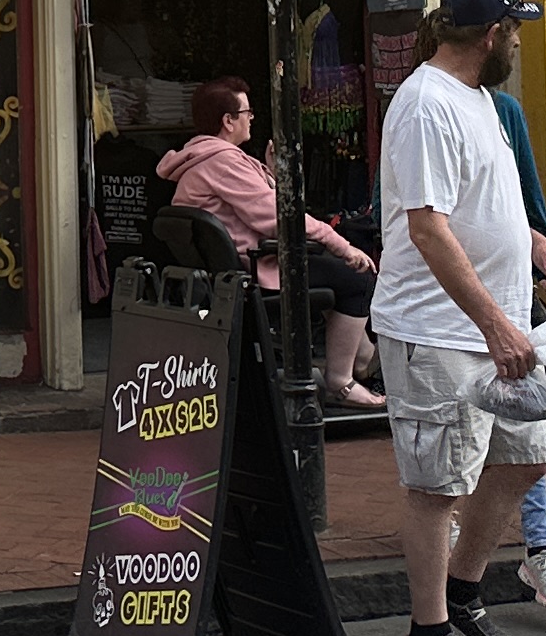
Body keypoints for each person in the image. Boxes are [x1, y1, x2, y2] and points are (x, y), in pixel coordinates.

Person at [371, 0, 546, 636]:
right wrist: (494, 325)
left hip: (496, 326)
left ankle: (461, 595)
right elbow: (428, 228)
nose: (517, 43)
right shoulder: (427, 104)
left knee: (523, 458)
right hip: (441, 331)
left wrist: (536, 248)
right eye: (514, 31)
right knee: (437, 485)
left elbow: (482, 201)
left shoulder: (480, 99)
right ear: (491, 35)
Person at [152, 77, 384, 400]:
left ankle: (364, 358)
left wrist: (270, 174)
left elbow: (255, 207)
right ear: (228, 120)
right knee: (358, 277)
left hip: (238, 268)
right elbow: (280, 220)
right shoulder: (223, 162)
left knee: (336, 276)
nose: (251, 118)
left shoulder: (201, 160)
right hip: (258, 270)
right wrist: (342, 245)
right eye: (247, 112)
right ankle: (341, 380)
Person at [493, 82, 546, 612]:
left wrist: (543, 268)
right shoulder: (420, 107)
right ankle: (450, 529)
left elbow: (526, 205)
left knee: (529, 422)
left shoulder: (504, 111)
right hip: (444, 305)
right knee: (458, 423)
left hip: (510, 296)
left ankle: (540, 548)